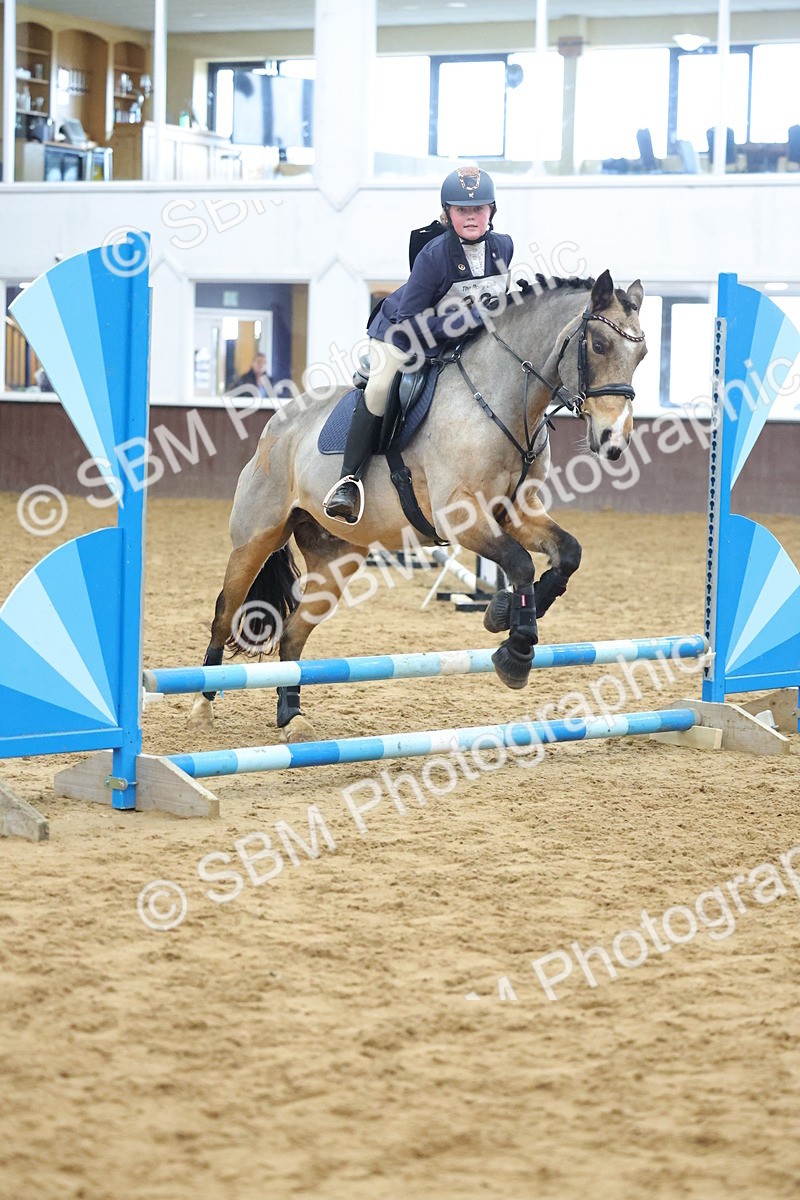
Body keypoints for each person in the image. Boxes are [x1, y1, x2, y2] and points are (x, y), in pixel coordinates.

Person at [323, 165, 513, 524]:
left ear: (491, 211)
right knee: (379, 387)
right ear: (448, 213)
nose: (471, 216)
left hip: (454, 336)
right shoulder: (434, 256)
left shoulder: (503, 246)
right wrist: (467, 321)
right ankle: (348, 481)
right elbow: (410, 323)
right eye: (461, 210)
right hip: (400, 333)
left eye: (478, 209)